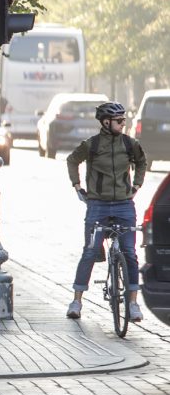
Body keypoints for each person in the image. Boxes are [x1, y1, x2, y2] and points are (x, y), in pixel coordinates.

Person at [65, 101, 147, 321]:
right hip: (97, 205)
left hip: (124, 205)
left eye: (123, 120)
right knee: (90, 252)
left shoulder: (130, 144)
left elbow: (141, 162)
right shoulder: (91, 145)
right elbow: (72, 160)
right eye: (119, 121)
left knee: (129, 253)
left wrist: (137, 186)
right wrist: (77, 185)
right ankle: (76, 302)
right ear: (106, 122)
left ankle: (133, 304)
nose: (123, 124)